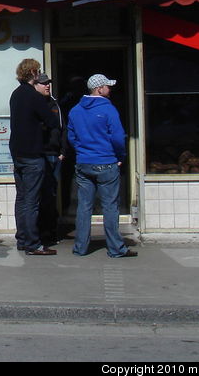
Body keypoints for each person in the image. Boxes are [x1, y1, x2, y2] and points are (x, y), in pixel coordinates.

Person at [67, 74, 136, 259]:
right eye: (107, 86)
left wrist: (82, 151)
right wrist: (120, 156)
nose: (110, 89)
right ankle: (116, 248)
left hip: (84, 162)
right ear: (99, 89)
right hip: (106, 162)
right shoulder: (108, 109)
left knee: (84, 207)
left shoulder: (75, 110)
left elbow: (71, 137)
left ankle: (80, 247)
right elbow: (117, 136)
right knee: (110, 207)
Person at [9, 58, 61, 256]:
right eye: (38, 71)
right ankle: (33, 243)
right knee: (32, 201)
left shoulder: (16, 94)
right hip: (33, 154)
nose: (40, 75)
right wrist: (43, 125)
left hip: (18, 152)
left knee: (21, 198)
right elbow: (52, 120)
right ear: (31, 73)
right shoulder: (34, 96)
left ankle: (22, 238)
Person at [35, 73, 65, 247]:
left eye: (48, 83)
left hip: (54, 154)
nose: (47, 86)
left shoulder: (54, 104)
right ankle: (41, 232)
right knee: (39, 196)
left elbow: (62, 128)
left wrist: (62, 150)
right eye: (43, 83)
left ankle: (50, 232)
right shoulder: (34, 102)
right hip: (40, 154)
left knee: (51, 195)